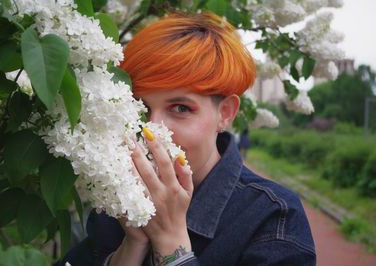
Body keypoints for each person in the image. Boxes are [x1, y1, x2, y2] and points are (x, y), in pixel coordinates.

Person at [62, 12, 315, 266]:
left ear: (224, 114)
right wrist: (129, 249)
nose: (152, 130)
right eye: (141, 107)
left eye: (181, 108)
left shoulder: (273, 219)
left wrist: (171, 243)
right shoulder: (116, 207)